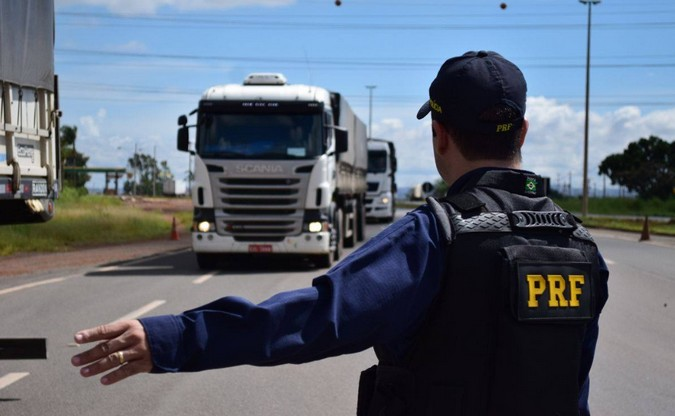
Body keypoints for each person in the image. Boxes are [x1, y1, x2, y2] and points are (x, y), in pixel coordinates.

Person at [72, 51, 609, 416]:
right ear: (523, 132)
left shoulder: (434, 237)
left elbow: (314, 318)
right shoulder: (580, 245)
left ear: (439, 134)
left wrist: (172, 337)